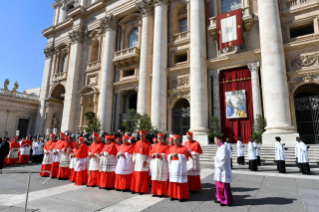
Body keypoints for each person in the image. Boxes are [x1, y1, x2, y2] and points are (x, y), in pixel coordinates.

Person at [213, 135, 234, 206]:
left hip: (223, 170)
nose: (214, 141)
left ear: (219, 140)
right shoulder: (221, 147)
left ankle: (225, 200)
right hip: (220, 170)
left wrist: (215, 158)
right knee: (219, 185)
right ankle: (220, 198)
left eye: (215, 140)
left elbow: (222, 159)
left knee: (223, 186)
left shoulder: (223, 147)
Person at [168, 134, 189, 202]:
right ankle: (173, 195)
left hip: (180, 168)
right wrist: (170, 155)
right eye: (174, 140)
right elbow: (167, 155)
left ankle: (181, 196)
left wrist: (178, 155)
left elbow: (186, 158)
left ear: (179, 140)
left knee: (180, 181)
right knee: (173, 181)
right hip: (173, 166)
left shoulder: (184, 148)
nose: (175, 141)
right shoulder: (170, 148)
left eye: (176, 139)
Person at [130, 130, 152, 195]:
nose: (141, 136)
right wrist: (134, 159)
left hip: (143, 161)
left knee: (143, 177)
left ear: (145, 135)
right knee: (136, 176)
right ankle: (135, 188)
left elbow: (150, 153)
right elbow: (134, 152)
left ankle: (142, 190)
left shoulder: (148, 143)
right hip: (137, 161)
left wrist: (147, 161)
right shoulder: (137, 142)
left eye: (142, 135)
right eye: (140, 135)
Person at [150, 133, 169, 197]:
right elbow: (151, 152)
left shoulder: (166, 145)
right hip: (155, 162)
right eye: (158, 138)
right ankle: (155, 192)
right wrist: (153, 154)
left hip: (162, 163)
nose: (159, 139)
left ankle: (161, 192)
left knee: (161, 178)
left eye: (160, 138)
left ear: (163, 138)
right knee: (155, 177)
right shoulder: (155, 145)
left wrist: (160, 155)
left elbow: (167, 154)